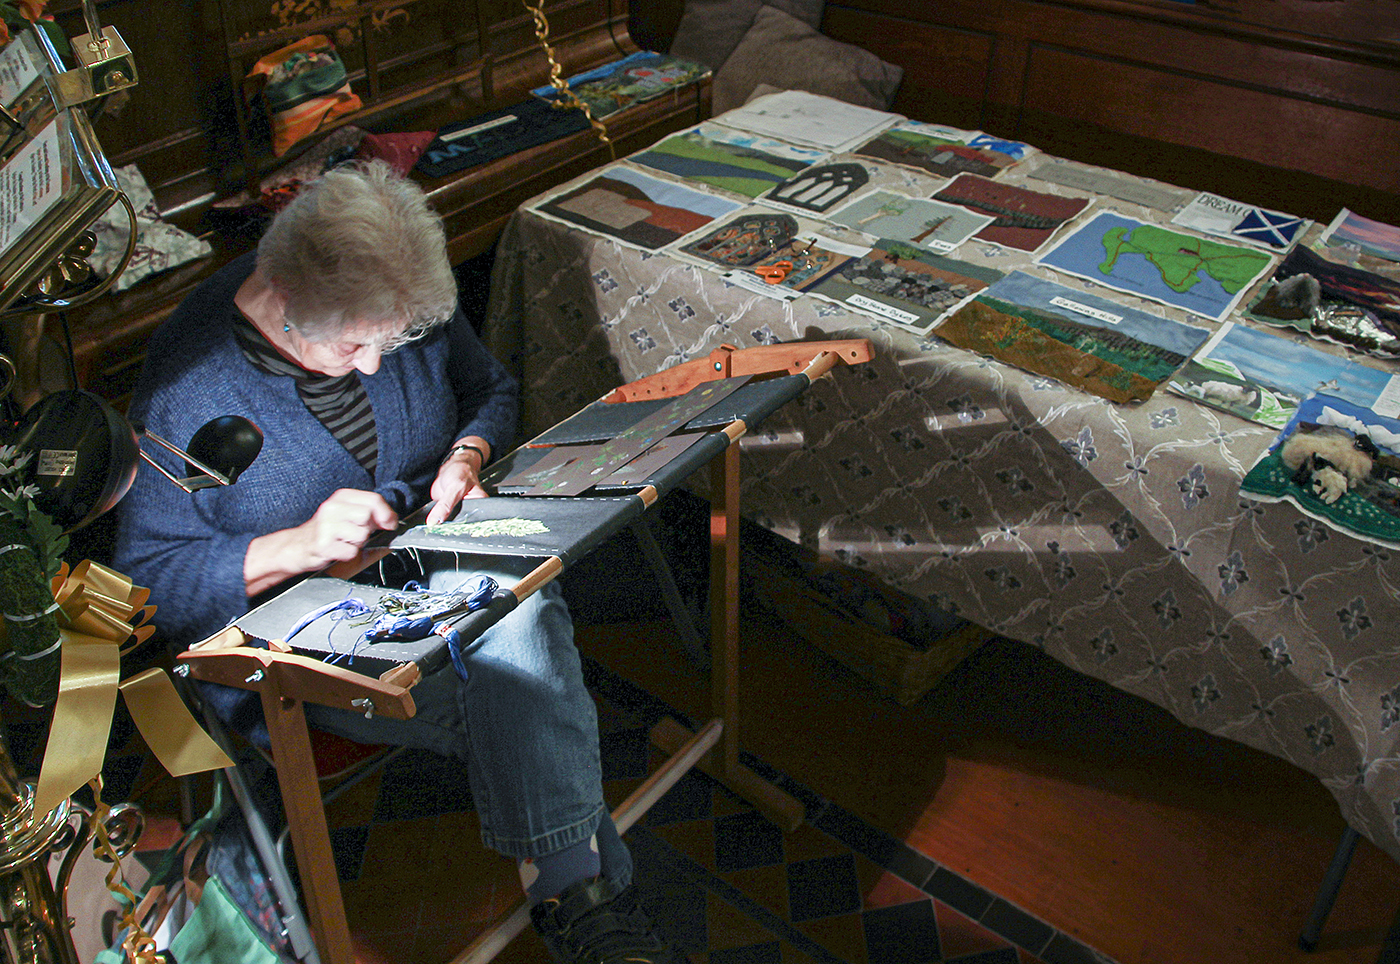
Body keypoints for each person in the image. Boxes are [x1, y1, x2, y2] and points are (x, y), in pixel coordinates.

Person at [112, 160, 684, 964]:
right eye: (356, 344)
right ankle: (586, 903)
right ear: (285, 298)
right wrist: (297, 546)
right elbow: (147, 583)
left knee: (520, 616)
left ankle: (581, 906)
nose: (379, 364)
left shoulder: (388, 292)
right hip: (298, 637)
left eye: (395, 341)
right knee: (526, 675)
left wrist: (466, 454)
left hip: (431, 560)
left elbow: (488, 388)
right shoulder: (189, 387)